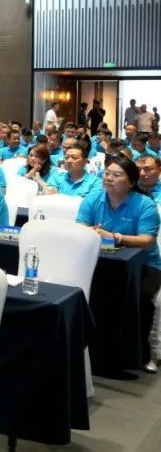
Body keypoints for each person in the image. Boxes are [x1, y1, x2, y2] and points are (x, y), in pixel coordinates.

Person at [76, 155, 161, 372]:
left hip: (144, 265)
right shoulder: (93, 199)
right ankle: (93, 351)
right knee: (89, 292)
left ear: (131, 182)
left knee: (142, 297)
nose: (109, 178)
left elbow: (147, 241)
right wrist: (89, 232)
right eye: (107, 174)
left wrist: (114, 237)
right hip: (101, 261)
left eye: (116, 175)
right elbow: (79, 227)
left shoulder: (145, 205)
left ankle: (142, 354)